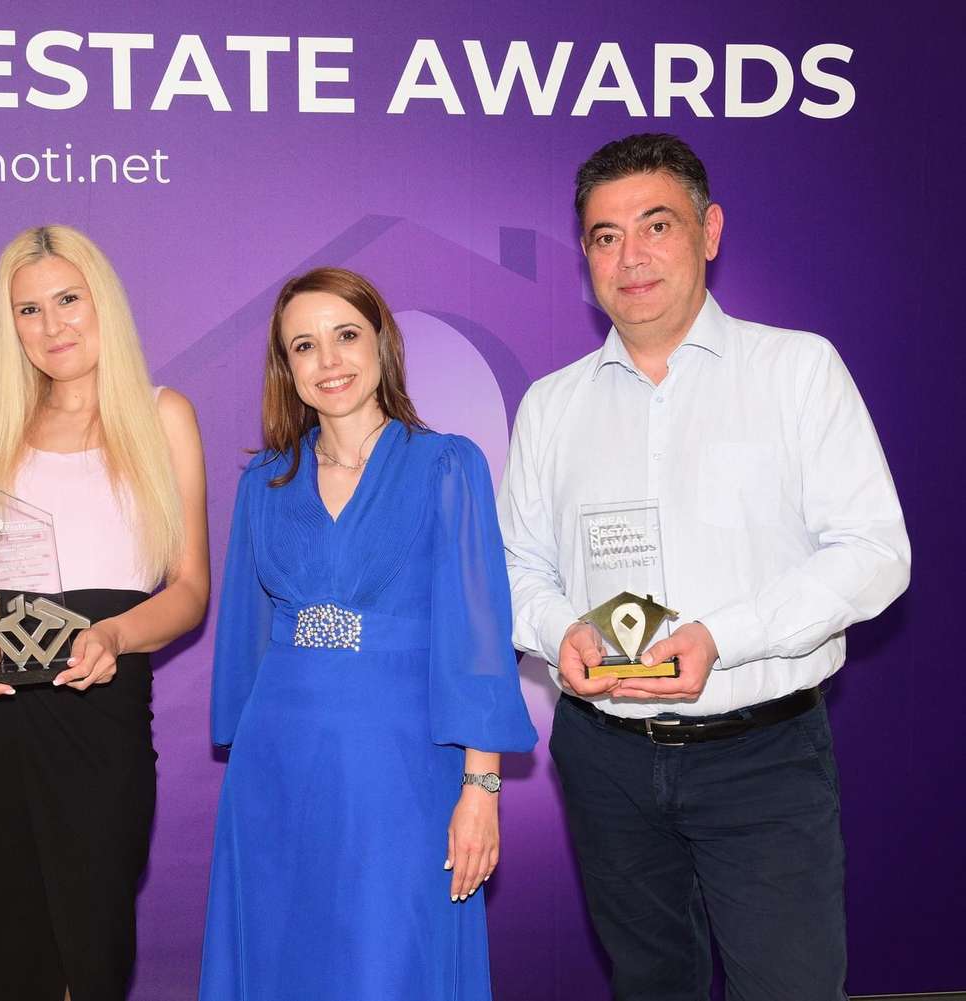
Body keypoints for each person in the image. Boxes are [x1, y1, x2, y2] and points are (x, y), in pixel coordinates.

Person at [497, 133, 910, 1000]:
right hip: (605, 755)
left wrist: (724, 635)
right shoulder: (551, 405)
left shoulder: (797, 370)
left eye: (657, 225)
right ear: (585, 255)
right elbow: (515, 564)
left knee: (791, 988)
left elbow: (875, 552)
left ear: (709, 230)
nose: (630, 257)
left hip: (761, 752)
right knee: (651, 984)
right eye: (605, 236)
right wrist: (558, 628)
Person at [199, 267, 537, 1000]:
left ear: (382, 342)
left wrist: (481, 788)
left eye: (346, 335)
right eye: (304, 346)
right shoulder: (265, 481)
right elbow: (245, 644)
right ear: (286, 368)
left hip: (403, 767)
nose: (329, 360)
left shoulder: (446, 465)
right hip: (277, 769)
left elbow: (479, 640)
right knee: (282, 961)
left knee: (389, 964)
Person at [0, 224, 209, 1001]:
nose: (52, 325)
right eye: (29, 310)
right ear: (9, 326)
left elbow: (189, 588)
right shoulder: (0, 428)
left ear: (102, 300)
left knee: (88, 954)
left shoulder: (164, 415)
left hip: (99, 717)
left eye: (68, 299)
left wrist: (115, 633)